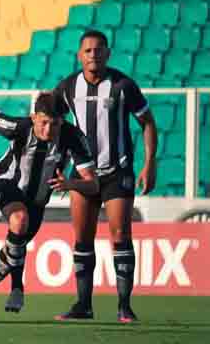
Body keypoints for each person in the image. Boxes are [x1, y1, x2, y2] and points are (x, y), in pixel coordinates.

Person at [0, 92, 98, 321]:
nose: (48, 130)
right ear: (33, 118)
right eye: (43, 123)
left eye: (55, 124)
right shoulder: (18, 127)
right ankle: (17, 287)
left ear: (63, 121)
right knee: (19, 221)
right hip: (6, 183)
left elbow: (93, 184)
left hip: (37, 201)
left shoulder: (73, 137)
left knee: (14, 246)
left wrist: (71, 184)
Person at [52, 29, 158, 323]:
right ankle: (83, 306)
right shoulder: (68, 88)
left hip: (117, 172)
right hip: (83, 173)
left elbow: (147, 123)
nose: (93, 55)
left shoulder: (123, 85)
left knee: (120, 235)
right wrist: (55, 162)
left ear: (108, 53)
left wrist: (150, 164)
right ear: (79, 55)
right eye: (88, 51)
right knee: (82, 238)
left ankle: (125, 306)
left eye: (98, 50)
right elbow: (52, 123)